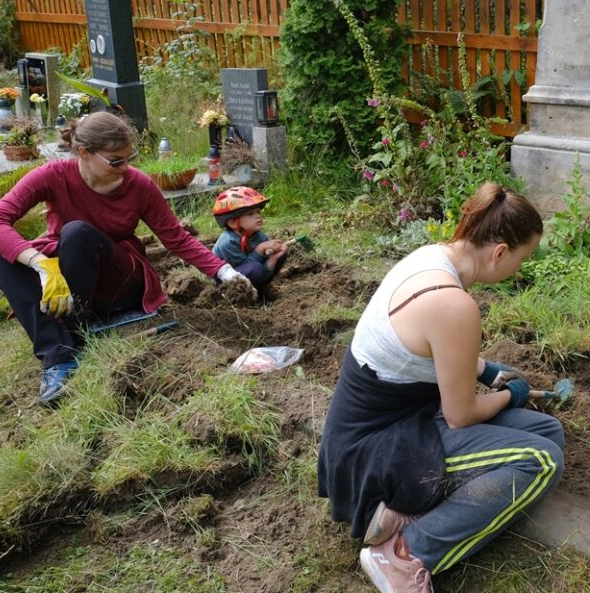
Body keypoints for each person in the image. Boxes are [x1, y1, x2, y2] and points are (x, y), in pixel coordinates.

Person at [318, 182, 563, 593]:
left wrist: (484, 370)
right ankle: (405, 555)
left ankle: (406, 508)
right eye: (523, 259)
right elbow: (461, 414)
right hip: (377, 448)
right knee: (542, 461)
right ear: (500, 252)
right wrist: (509, 394)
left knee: (546, 430)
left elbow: (426, 348)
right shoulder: (454, 304)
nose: (519, 270)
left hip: (384, 421)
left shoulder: (432, 258)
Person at [0, 112, 256, 406]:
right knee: (3, 258)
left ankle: (73, 328)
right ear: (84, 152)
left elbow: (177, 238)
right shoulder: (53, 175)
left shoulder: (139, 186)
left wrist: (225, 272)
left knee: (77, 232)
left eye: (128, 157)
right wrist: (40, 263)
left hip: (120, 281)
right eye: (115, 160)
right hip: (70, 278)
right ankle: (59, 358)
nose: (125, 166)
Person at [211, 186, 287, 296]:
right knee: (255, 268)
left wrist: (273, 257)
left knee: (279, 254)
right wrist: (260, 249)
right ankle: (237, 295)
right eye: (250, 214)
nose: (258, 216)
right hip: (227, 279)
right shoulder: (227, 242)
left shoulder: (257, 235)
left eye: (258, 212)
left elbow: (260, 264)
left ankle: (262, 286)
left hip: (251, 271)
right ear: (232, 222)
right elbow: (247, 267)